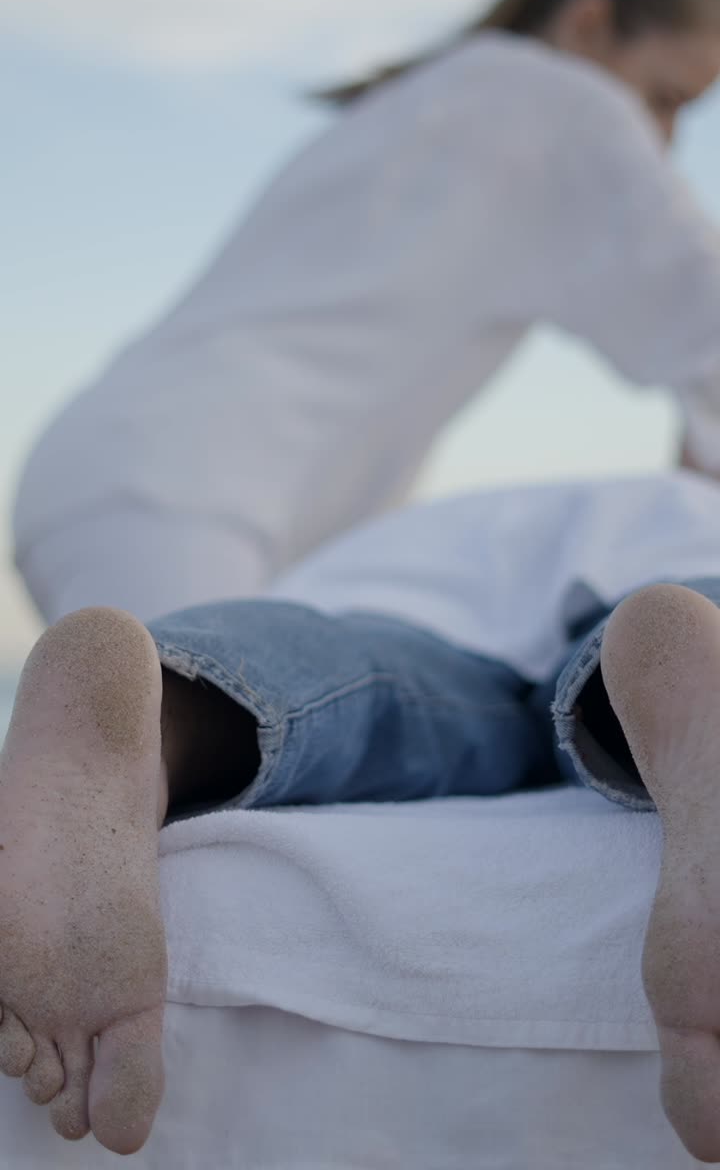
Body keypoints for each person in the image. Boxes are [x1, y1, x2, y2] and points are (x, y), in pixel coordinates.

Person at [12, 0, 720, 628]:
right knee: (204, 736)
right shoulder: (565, 104)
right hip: (183, 497)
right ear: (589, 26)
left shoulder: (427, 97)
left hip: (134, 472)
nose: (664, 139)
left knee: (165, 734)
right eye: (666, 97)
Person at [4, 470, 720, 1160]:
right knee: (678, 623)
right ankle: (691, 679)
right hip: (676, 577)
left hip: (409, 615)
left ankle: (172, 708)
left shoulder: (420, 531)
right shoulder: (687, 506)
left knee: (352, 682)